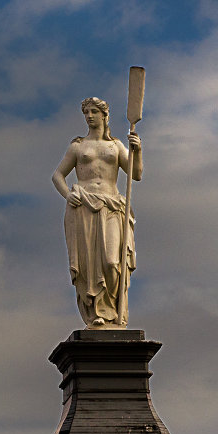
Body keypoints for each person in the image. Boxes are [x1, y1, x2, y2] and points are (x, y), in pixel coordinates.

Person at [51, 97, 143, 327]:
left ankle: (112, 312)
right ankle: (96, 313)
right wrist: (68, 194)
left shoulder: (116, 145)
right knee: (90, 265)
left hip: (112, 207)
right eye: (86, 112)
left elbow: (136, 174)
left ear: (104, 115)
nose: (89, 116)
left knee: (112, 262)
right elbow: (57, 175)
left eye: (94, 112)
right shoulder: (78, 146)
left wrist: (137, 151)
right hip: (84, 207)